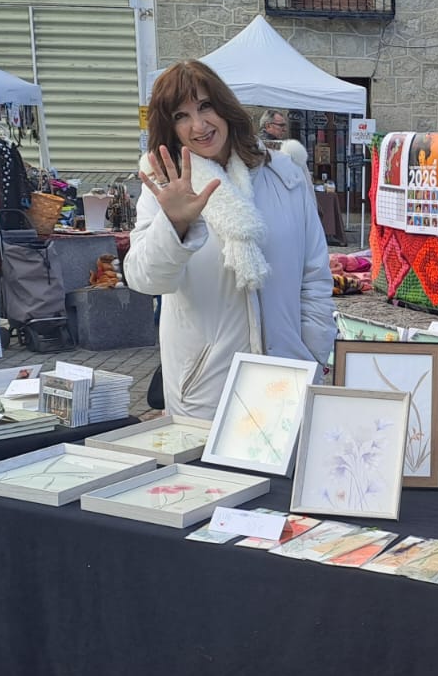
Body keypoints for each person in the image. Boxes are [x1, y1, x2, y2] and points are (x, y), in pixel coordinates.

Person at [127, 62, 335, 419]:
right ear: (169, 127)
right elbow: (146, 279)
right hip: (207, 387)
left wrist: (312, 354)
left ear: (224, 106)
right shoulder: (166, 186)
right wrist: (174, 224)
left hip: (287, 377)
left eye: (205, 106)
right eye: (181, 115)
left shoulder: (285, 176)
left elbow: (314, 276)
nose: (199, 125)